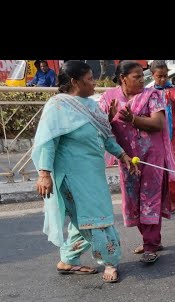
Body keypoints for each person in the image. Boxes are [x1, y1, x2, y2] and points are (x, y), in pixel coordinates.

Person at [32, 60, 136, 283]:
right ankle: (110, 261)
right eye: (89, 79)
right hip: (72, 177)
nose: (94, 83)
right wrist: (44, 173)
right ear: (74, 81)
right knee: (96, 220)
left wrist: (122, 155)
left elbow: (105, 136)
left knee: (86, 220)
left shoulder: (91, 105)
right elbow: (48, 142)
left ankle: (68, 259)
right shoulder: (58, 106)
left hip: (93, 174)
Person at [99, 60, 175, 264]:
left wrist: (133, 119)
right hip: (126, 158)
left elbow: (158, 123)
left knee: (150, 199)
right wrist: (108, 118)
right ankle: (150, 239)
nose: (142, 80)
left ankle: (150, 244)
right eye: (136, 77)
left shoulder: (152, 95)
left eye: (143, 76)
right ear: (123, 78)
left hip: (152, 157)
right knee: (133, 200)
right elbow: (100, 127)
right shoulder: (109, 98)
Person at [149, 60, 175, 214]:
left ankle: (174, 200)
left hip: (174, 139)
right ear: (152, 75)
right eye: (159, 76)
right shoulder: (149, 93)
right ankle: (161, 200)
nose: (163, 79)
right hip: (156, 139)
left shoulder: (174, 92)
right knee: (159, 171)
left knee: (172, 171)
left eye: (165, 76)